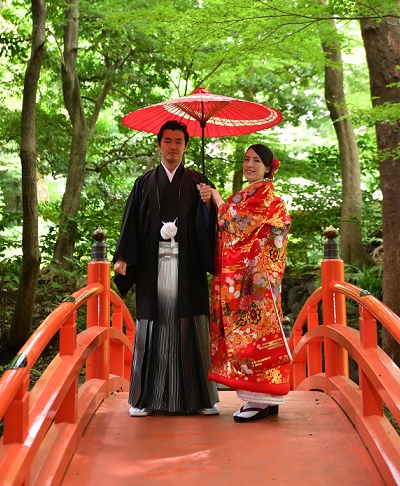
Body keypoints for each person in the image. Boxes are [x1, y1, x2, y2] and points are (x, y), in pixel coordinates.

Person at [113, 120, 219, 417]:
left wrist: (209, 205)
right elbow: (131, 223)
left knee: (190, 327)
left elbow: (213, 226)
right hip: (151, 265)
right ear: (159, 144)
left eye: (179, 142)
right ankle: (144, 399)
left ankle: (200, 399)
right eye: (168, 141)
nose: (173, 147)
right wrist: (122, 257)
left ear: (186, 146)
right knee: (152, 329)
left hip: (188, 266)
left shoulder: (199, 182)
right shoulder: (144, 183)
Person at [199, 144, 291, 422]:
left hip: (257, 281)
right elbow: (230, 225)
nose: (249, 164)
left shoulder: (265, 196)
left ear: (268, 168)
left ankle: (263, 399)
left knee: (256, 334)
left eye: (256, 161)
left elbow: (237, 223)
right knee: (248, 335)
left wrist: (215, 198)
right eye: (246, 159)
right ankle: (260, 399)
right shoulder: (246, 195)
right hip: (248, 278)